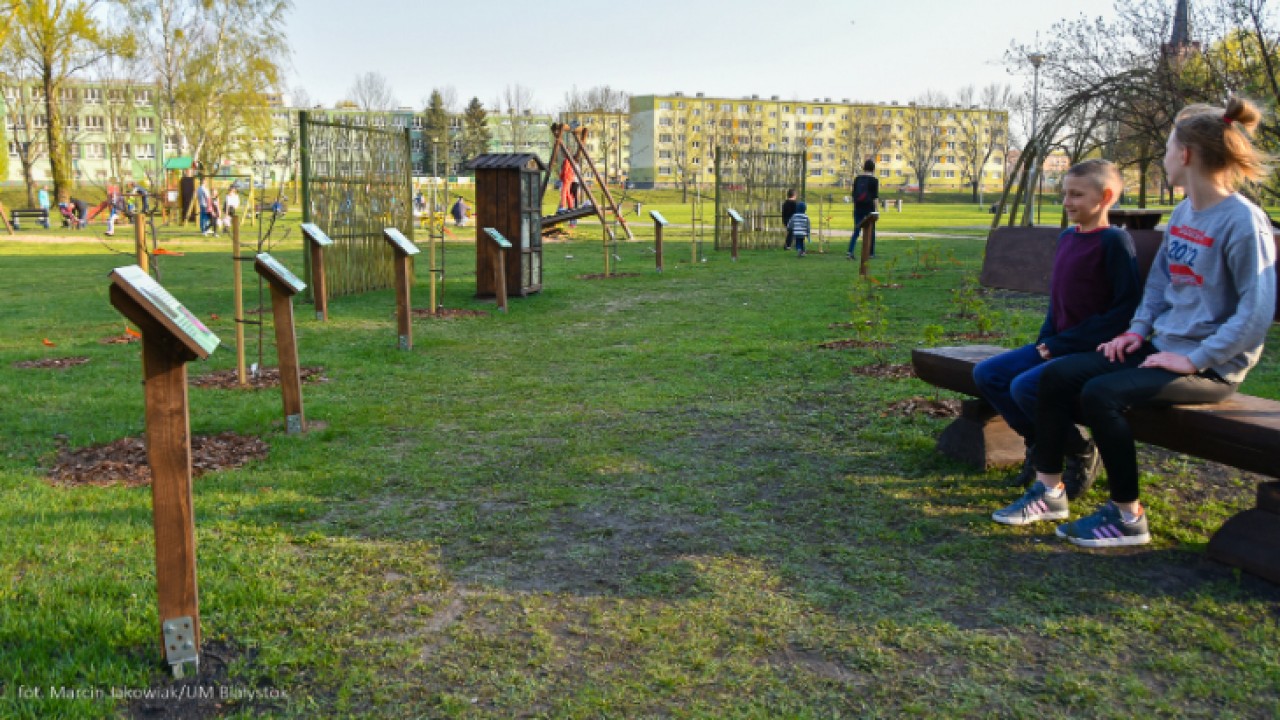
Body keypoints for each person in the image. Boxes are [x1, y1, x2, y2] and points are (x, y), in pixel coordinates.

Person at [993, 97, 1277, 547]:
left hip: (1210, 368)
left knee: (1101, 393)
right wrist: (1135, 331)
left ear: (1184, 155)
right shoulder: (1185, 213)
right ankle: (1049, 493)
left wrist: (1195, 359)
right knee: (1054, 377)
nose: (1164, 159)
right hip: (1161, 349)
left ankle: (1128, 518)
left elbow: (1256, 311)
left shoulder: (1243, 222)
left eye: (1167, 150)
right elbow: (1160, 285)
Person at [976, 159, 1140, 499]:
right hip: (1057, 344)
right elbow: (1059, 300)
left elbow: (1123, 312)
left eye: (1077, 195)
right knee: (989, 374)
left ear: (1106, 196)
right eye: (1065, 193)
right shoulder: (1068, 237)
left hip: (1091, 351)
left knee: (1024, 388)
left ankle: (1079, 452)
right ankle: (1039, 444)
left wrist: (1059, 346)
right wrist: (1045, 342)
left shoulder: (1114, 243)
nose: (1067, 202)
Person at [847, 160, 880, 259]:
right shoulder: (874, 180)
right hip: (869, 208)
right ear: (873, 169)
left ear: (864, 167)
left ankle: (850, 251)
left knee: (856, 230)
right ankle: (871, 253)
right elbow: (875, 197)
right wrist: (877, 211)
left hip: (858, 207)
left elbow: (854, 195)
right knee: (871, 231)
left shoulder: (857, 179)